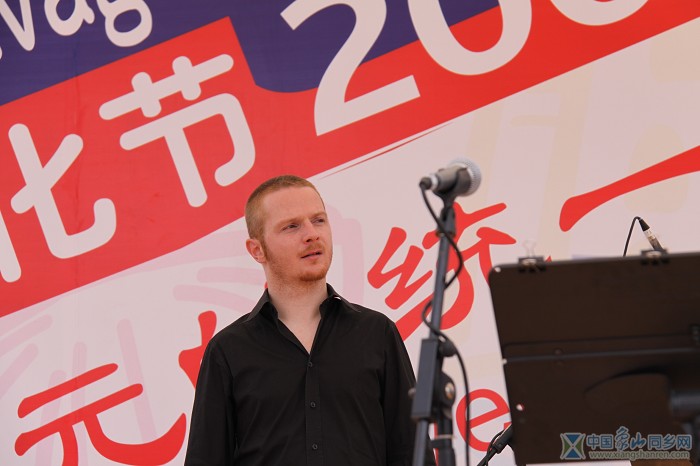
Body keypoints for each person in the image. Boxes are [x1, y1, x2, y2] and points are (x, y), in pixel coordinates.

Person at [184, 175, 434, 466]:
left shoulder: (376, 333)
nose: (312, 234)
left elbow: (412, 452)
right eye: (291, 226)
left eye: (318, 220)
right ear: (257, 250)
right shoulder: (228, 351)